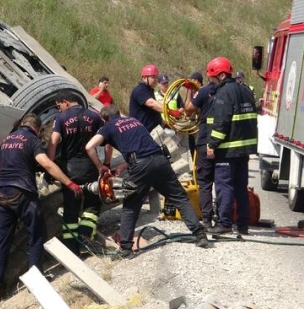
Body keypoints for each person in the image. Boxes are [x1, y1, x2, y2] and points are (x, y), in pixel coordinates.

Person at [85, 105, 209, 255]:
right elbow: (145, 148)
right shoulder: (135, 121)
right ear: (119, 113)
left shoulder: (108, 126)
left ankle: (125, 248)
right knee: (180, 198)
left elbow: (89, 147)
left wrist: (100, 167)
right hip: (160, 161)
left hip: (140, 168)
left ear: (105, 119)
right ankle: (200, 234)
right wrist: (123, 166)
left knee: (131, 205)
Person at [0, 113, 83, 298]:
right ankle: (37, 280)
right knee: (37, 234)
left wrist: (3, 180)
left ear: (22, 124)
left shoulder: (7, 139)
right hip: (23, 192)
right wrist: (69, 183)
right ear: (37, 129)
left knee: (2, 240)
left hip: (2, 193)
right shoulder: (32, 140)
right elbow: (46, 163)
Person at [46, 90, 108, 254]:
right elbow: (107, 138)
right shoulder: (94, 116)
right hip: (90, 167)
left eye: (59, 106)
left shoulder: (61, 118)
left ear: (65, 101)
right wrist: (106, 162)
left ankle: (72, 249)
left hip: (69, 169)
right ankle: (86, 239)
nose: (59, 109)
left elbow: (53, 143)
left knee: (70, 209)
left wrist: (49, 166)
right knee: (92, 205)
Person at [205, 57, 258, 234]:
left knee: (224, 185)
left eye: (212, 78)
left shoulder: (223, 93)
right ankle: (242, 225)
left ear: (220, 75)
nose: (211, 82)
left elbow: (221, 122)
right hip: (243, 150)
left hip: (227, 150)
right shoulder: (245, 90)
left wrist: (212, 144)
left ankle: (225, 223)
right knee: (240, 187)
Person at [184, 71, 216, 230]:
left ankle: (207, 220)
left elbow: (188, 109)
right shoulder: (229, 90)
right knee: (224, 183)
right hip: (224, 143)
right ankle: (225, 220)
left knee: (204, 183)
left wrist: (190, 91)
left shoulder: (203, 92)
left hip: (205, 142)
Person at [129, 64, 182, 133]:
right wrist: (170, 111)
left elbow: (152, 112)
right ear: (145, 77)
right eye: (153, 77)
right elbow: (152, 104)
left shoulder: (149, 90)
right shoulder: (140, 90)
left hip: (154, 130)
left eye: (156, 77)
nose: (156, 80)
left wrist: (164, 123)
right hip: (143, 133)